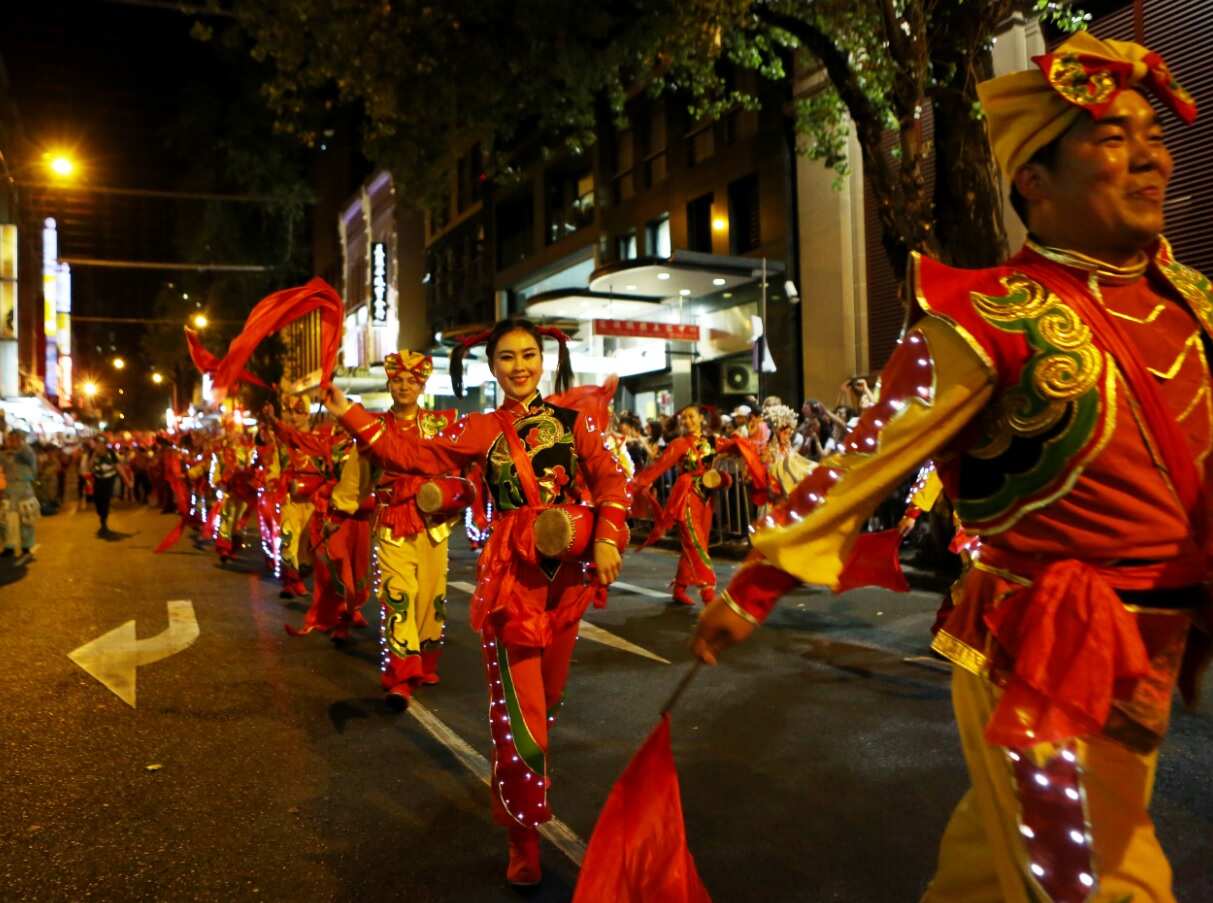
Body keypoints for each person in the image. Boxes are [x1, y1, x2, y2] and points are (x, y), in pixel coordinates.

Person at [693, 32, 1210, 903]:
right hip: (1039, 654)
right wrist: (756, 581)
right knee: (1099, 883)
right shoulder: (982, 318)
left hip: (1152, 651)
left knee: (989, 866)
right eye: (1111, 138)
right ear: (1035, 184)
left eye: (1148, 133)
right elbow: (865, 454)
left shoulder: (1190, 301)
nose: (1148, 157)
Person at [323, 318, 629, 887]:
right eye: (507, 357)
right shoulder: (480, 427)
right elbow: (407, 452)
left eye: (529, 355)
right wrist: (345, 407)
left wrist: (607, 538)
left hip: (566, 582)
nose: (520, 366)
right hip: (512, 582)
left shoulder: (573, 423)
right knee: (521, 719)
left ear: (544, 360)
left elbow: (611, 483)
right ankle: (523, 838)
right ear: (491, 367)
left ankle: (523, 791)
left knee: (549, 701)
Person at [362, 350, 458, 706]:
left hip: (433, 523)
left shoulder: (439, 425)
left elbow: (456, 467)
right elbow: (359, 476)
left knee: (430, 599)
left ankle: (425, 663)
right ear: (389, 383)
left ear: (422, 386)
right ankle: (401, 674)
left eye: (411, 381)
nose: (404, 386)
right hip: (391, 521)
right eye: (398, 380)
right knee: (398, 595)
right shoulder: (374, 428)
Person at [1, 430, 38, 558]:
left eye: (16, 439)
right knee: (6, 521)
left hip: (24, 490)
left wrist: (20, 446)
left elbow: (33, 467)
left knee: (26, 520)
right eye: (10, 439)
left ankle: (26, 546)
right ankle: (8, 546)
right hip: (8, 492)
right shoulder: (4, 455)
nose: (12, 441)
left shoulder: (27, 452)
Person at [89, 438, 121, 536]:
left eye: (102, 445)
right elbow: (89, 467)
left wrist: (127, 480)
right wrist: (94, 455)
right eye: (98, 445)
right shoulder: (93, 454)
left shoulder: (111, 453)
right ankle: (101, 515)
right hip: (98, 479)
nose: (100, 447)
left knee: (105, 500)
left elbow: (118, 466)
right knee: (98, 500)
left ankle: (104, 522)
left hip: (109, 479)